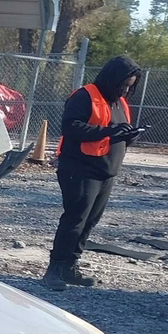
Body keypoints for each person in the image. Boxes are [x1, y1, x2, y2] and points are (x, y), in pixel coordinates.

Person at [44, 55, 144, 291]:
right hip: (80, 169)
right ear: (113, 78)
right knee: (74, 219)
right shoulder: (85, 96)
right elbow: (71, 126)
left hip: (106, 171)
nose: (125, 89)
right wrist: (109, 131)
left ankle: (71, 267)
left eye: (130, 86)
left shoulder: (120, 102)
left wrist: (128, 135)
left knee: (89, 221)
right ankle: (54, 270)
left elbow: (116, 133)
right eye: (123, 84)